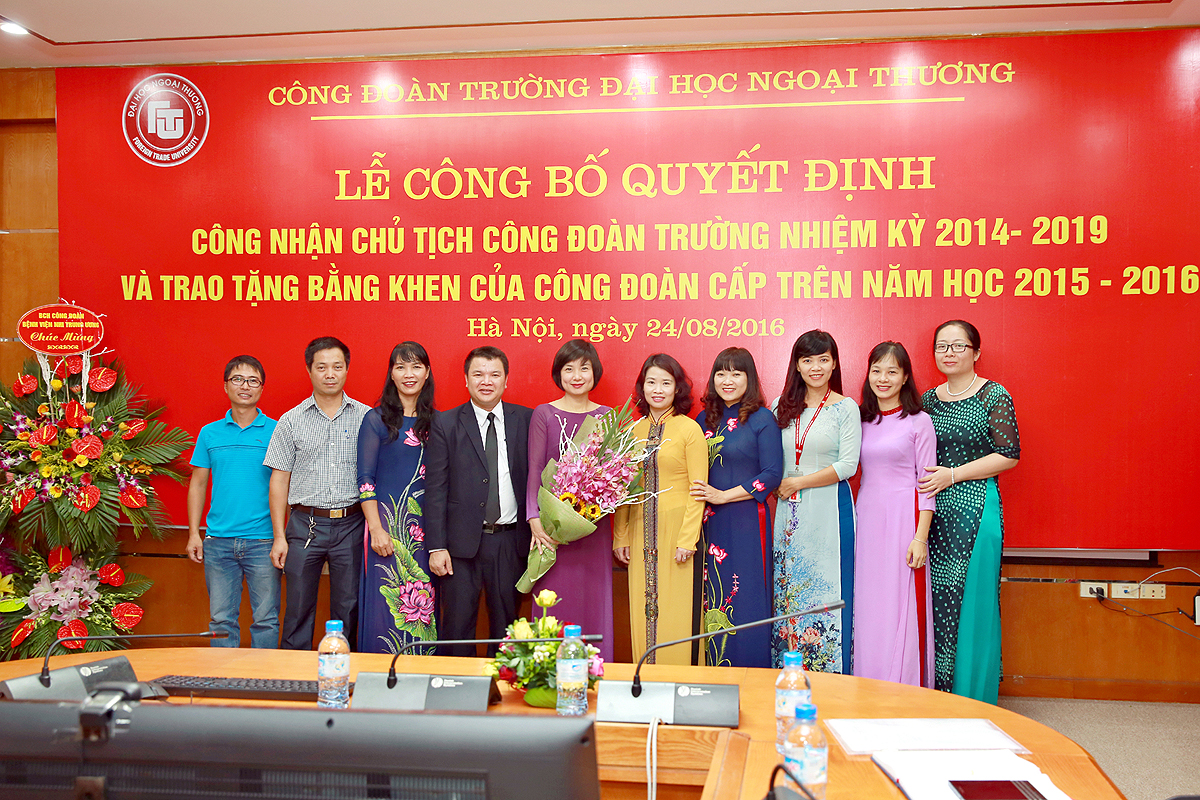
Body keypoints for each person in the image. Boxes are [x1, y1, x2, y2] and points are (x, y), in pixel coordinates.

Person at [918, 320, 1020, 704]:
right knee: (937, 602)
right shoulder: (927, 401)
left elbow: (1009, 454)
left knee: (972, 602)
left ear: (976, 352)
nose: (949, 353)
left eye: (958, 346)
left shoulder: (994, 395)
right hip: (932, 514)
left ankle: (972, 696)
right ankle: (939, 694)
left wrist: (953, 475)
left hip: (975, 510)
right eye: (942, 346)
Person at [425, 346, 533, 657]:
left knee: (507, 629)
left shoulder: (526, 419)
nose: (486, 381)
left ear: (506, 380)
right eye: (478, 374)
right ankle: (457, 686)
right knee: (457, 627)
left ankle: (503, 684)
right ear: (466, 380)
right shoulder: (446, 423)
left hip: (510, 541)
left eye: (494, 374)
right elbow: (435, 489)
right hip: (460, 546)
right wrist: (436, 546)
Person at [265, 336, 369, 650]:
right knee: (297, 607)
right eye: (321, 367)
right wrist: (279, 536)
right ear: (309, 370)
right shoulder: (291, 420)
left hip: (352, 523)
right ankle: (292, 673)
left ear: (347, 369)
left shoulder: (367, 418)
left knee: (349, 606)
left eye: (337, 366)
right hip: (304, 525)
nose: (330, 374)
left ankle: (345, 670)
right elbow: (278, 481)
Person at [772, 330, 861, 672]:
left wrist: (800, 481)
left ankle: (831, 673)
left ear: (834, 363)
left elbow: (848, 466)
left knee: (827, 589)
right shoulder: (780, 407)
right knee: (789, 588)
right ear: (796, 365)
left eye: (823, 359)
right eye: (807, 360)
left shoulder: (845, 408)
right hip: (788, 514)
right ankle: (788, 673)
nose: (816, 367)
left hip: (829, 510)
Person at [689, 347, 783, 668]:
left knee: (746, 595)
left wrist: (723, 496)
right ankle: (715, 672)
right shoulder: (703, 420)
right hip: (709, 524)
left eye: (736, 374)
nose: (727, 380)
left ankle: (751, 673)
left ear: (749, 378)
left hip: (746, 520)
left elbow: (771, 475)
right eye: (721, 373)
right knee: (713, 594)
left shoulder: (762, 419)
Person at [613, 353, 708, 666]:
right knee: (643, 609)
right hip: (640, 531)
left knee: (677, 611)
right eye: (651, 382)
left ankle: (679, 680)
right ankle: (645, 679)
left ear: (677, 388)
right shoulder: (632, 431)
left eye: (665, 383)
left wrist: (688, 539)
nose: (658, 389)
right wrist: (620, 536)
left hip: (677, 532)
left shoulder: (689, 430)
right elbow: (624, 490)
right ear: (642, 387)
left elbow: (698, 489)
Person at [852, 342, 937, 686]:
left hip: (905, 519)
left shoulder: (919, 421)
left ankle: (904, 685)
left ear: (905, 377)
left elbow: (927, 484)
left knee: (901, 603)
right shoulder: (860, 420)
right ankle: (867, 682)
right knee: (870, 605)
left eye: (892, 371)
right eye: (876, 370)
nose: (883, 378)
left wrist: (920, 537)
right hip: (867, 518)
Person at [526, 339, 614, 662]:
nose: (577, 376)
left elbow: (612, 475)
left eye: (584, 368)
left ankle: (596, 672)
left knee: (593, 603)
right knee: (554, 606)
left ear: (595, 373)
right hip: (550, 530)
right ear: (558, 374)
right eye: (569, 369)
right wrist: (534, 519)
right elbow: (535, 469)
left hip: (592, 528)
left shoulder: (607, 417)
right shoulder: (544, 414)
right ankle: (547, 672)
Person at [186, 355, 280, 648]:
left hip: (264, 542)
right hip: (218, 542)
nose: (245, 386)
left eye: (253, 381)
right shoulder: (209, 433)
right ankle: (224, 673)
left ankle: (264, 675)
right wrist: (193, 534)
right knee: (221, 620)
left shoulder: (277, 431)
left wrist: (282, 537)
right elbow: (198, 484)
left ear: (262, 388)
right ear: (226, 386)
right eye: (238, 379)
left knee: (266, 620)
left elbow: (286, 486)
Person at [356, 342, 438, 654]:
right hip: (386, 531)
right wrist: (376, 529)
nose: (408, 374)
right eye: (401, 367)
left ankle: (422, 675)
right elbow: (365, 481)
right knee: (385, 609)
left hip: (427, 534)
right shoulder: (375, 420)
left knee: (424, 611)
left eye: (416, 366)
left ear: (427, 373)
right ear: (391, 374)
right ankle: (380, 677)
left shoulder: (437, 422)